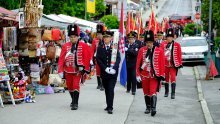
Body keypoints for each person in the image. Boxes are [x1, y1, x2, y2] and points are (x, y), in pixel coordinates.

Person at [58, 24, 91, 110]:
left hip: (77, 71)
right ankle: (73, 100)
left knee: (76, 85)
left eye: (74, 36)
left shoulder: (83, 45)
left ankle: (75, 103)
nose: (73, 38)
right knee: (69, 86)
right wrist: (60, 70)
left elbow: (87, 55)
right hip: (67, 70)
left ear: (78, 37)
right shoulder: (65, 46)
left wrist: (85, 67)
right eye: (71, 37)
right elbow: (61, 59)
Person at [136, 30, 165, 116]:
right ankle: (148, 107)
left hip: (154, 76)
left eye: (150, 42)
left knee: (153, 92)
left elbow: (162, 64)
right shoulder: (142, 50)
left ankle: (153, 108)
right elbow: (138, 63)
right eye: (147, 42)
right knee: (146, 92)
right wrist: (137, 74)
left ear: (153, 42)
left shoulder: (159, 51)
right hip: (144, 75)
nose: (148, 44)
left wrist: (162, 75)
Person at [96, 31, 121, 114]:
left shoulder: (115, 47)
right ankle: (108, 105)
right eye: (105, 37)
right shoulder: (100, 47)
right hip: (105, 72)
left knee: (110, 89)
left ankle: (110, 107)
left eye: (108, 37)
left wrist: (114, 68)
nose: (106, 38)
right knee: (106, 89)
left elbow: (118, 59)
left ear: (111, 38)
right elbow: (98, 59)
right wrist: (105, 68)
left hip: (113, 73)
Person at [160, 28, 182, 99]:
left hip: (173, 65)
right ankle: (166, 92)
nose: (169, 38)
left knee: (173, 78)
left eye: (170, 37)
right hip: (165, 64)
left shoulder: (177, 45)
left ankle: (173, 93)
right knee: (166, 79)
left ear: (173, 37)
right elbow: (160, 54)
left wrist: (179, 63)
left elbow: (179, 55)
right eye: (168, 37)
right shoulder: (163, 44)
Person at [91, 24, 105, 91]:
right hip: (97, 58)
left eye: (100, 34)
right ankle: (99, 84)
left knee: (103, 71)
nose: (99, 35)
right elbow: (92, 50)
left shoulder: (105, 40)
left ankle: (103, 84)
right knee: (98, 71)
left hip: (104, 58)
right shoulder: (94, 40)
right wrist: (91, 59)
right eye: (98, 34)